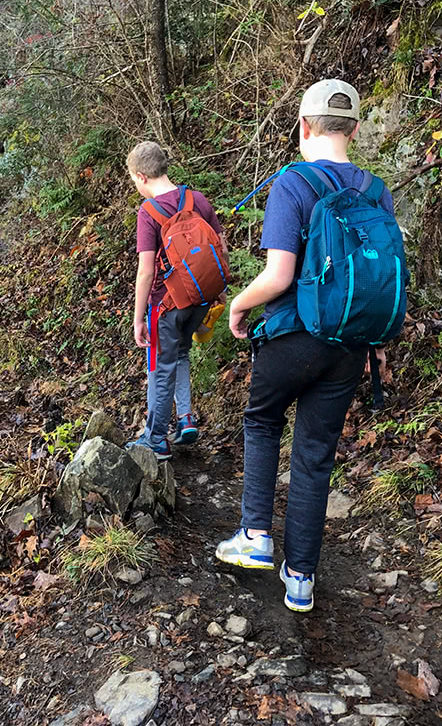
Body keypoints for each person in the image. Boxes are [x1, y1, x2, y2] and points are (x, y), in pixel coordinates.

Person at [215, 79, 395, 613]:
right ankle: (300, 579)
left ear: (304, 127)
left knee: (263, 419)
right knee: (315, 456)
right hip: (350, 345)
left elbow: (278, 275)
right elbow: (381, 277)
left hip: (294, 336)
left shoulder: (292, 184)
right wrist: (378, 347)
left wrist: (238, 304)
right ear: (356, 129)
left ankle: (255, 535)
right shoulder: (375, 190)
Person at [124, 141, 228, 460]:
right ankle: (185, 419)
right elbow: (221, 246)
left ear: (141, 177)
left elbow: (145, 271)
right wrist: (218, 290)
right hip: (200, 300)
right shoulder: (197, 200)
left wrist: (138, 317)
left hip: (165, 306)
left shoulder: (149, 212)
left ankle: (155, 439)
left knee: (160, 367)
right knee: (181, 354)